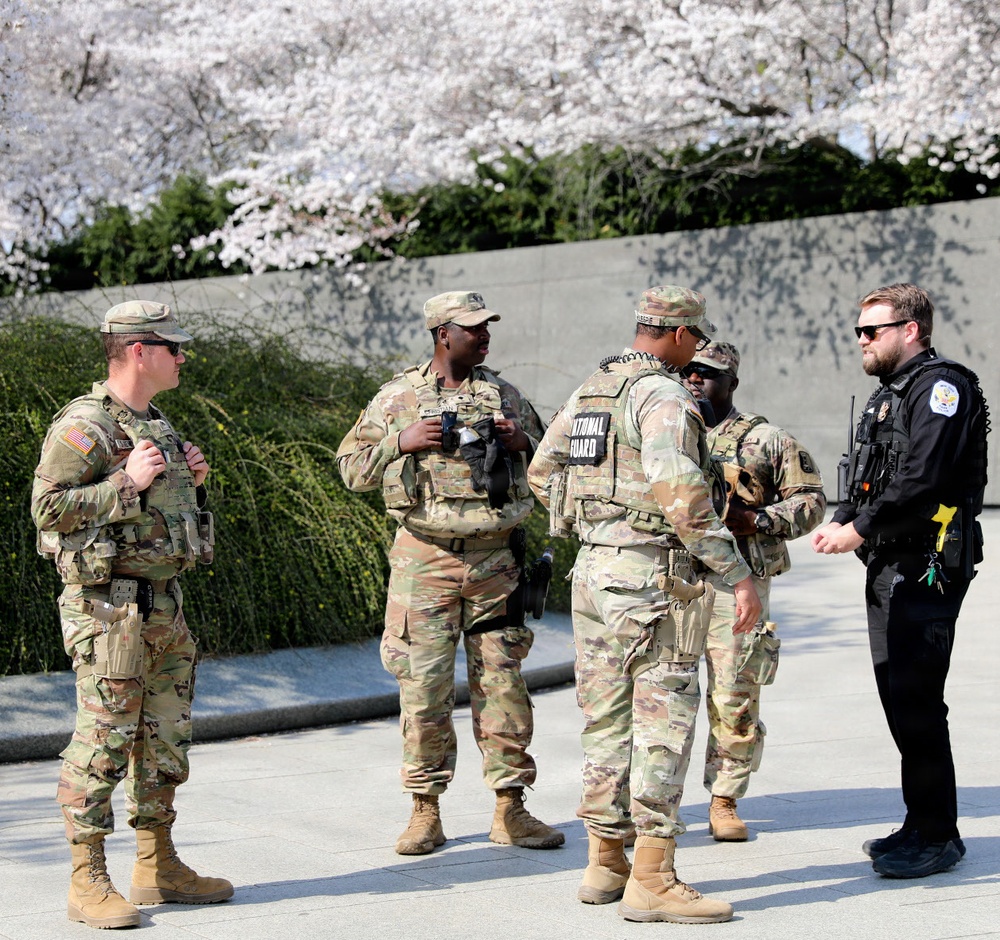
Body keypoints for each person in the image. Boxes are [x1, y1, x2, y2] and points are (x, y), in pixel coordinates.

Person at [528, 286, 762, 925]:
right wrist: (735, 574)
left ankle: (605, 860)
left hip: (594, 573)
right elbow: (683, 498)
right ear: (682, 336)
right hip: (653, 579)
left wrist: (597, 521)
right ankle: (653, 877)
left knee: (604, 718)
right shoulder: (661, 395)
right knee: (664, 719)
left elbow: (541, 474)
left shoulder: (592, 392)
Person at [336, 290, 564, 857]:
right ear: (442, 333)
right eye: (472, 328)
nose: (484, 334)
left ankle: (511, 808)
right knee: (423, 688)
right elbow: (350, 470)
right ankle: (424, 811)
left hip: (496, 561)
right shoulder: (397, 398)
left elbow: (552, 465)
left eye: (487, 325)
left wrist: (523, 441)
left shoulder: (505, 394)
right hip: (425, 560)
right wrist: (401, 440)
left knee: (504, 683)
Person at [31, 301, 232, 930]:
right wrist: (125, 482)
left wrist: (191, 479)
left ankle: (156, 863)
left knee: (163, 738)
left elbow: (165, 516)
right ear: (139, 350)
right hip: (109, 613)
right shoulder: (85, 426)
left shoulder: (159, 425)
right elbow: (46, 508)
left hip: (165, 607)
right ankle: (86, 877)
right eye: (173, 347)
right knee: (104, 741)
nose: (182, 357)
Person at [812, 283, 988, 879]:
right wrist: (842, 517)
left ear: (909, 329)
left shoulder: (943, 389)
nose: (861, 340)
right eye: (859, 330)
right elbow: (870, 473)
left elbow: (923, 480)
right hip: (893, 566)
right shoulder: (889, 396)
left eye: (872, 330)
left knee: (916, 700)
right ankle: (922, 823)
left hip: (928, 566)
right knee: (900, 699)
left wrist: (857, 530)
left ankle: (938, 837)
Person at [680, 341, 826, 841]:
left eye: (709, 374)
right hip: (675, 580)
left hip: (737, 583)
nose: (696, 380)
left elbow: (811, 501)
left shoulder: (766, 439)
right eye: (690, 371)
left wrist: (757, 519)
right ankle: (657, 800)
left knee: (735, 693)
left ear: (732, 383)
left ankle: (724, 798)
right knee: (666, 696)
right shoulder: (668, 429)